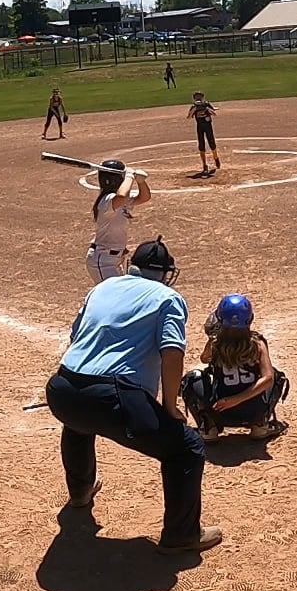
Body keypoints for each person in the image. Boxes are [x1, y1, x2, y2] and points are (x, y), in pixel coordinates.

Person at [43, 237, 222, 555]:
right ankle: (182, 536)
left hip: (63, 389)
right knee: (186, 448)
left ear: (132, 266)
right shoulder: (168, 298)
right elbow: (172, 353)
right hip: (112, 397)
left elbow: (75, 336)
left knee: (79, 422)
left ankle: (80, 493)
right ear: (165, 273)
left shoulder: (102, 288)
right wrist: (169, 406)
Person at [181, 294, 288, 443]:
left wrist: (212, 338)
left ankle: (208, 428)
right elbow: (268, 378)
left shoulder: (215, 345)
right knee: (274, 376)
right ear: (249, 319)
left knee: (192, 378)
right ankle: (260, 425)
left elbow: (204, 359)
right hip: (253, 412)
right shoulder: (258, 344)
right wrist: (237, 399)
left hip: (220, 410)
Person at [86, 159, 151, 285]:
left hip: (115, 258)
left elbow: (144, 197)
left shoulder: (119, 200)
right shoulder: (107, 200)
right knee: (113, 294)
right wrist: (129, 176)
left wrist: (141, 182)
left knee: (120, 293)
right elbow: (121, 197)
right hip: (104, 261)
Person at [187, 91, 220, 176]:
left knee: (212, 143)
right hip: (200, 128)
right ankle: (204, 165)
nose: (198, 99)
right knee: (201, 146)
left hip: (208, 127)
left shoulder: (206, 105)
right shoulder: (194, 107)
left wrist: (207, 109)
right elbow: (189, 117)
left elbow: (214, 113)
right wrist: (194, 109)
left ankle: (216, 158)